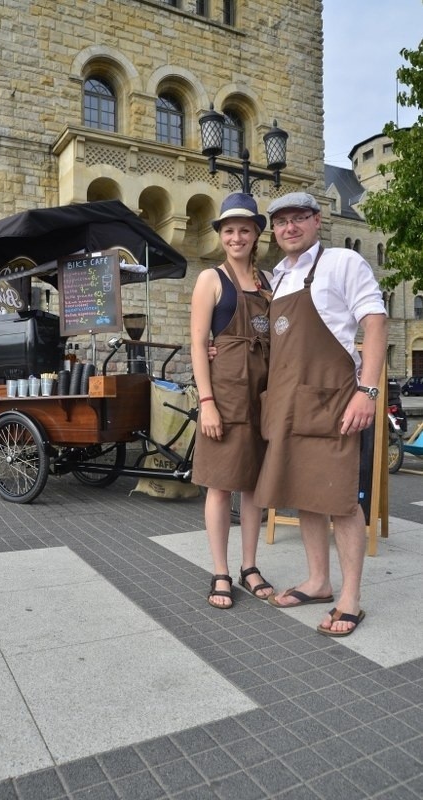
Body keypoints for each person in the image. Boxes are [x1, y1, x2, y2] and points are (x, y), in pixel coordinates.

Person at [253, 191, 388, 636]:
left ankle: (350, 597)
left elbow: (375, 322)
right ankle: (318, 581)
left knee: (341, 498)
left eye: (299, 219)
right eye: (281, 222)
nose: (289, 228)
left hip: (334, 400)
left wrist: (366, 392)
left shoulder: (343, 264)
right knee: (306, 492)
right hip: (291, 403)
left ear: (317, 220)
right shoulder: (279, 277)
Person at [191, 192, 274, 609]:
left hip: (262, 399)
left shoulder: (268, 283)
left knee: (255, 487)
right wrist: (206, 400)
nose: (236, 237)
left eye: (244, 229)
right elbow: (197, 344)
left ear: (256, 233)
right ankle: (221, 570)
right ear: (221, 236)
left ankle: (250, 565)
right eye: (229, 230)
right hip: (223, 398)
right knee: (221, 486)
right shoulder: (211, 279)